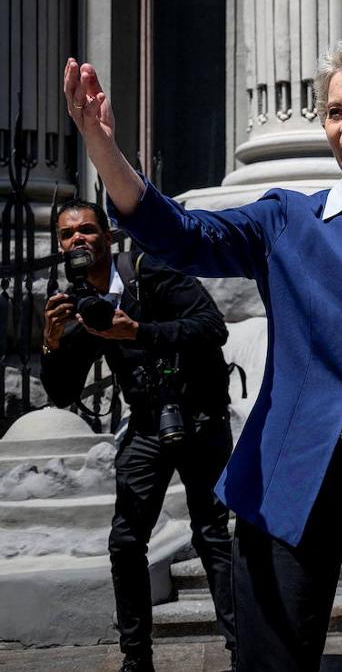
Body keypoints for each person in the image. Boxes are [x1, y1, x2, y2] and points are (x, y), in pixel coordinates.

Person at [62, 36, 342, 672]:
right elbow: (180, 237)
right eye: (335, 111)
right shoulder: (287, 220)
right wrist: (105, 151)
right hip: (291, 478)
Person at [40, 199, 235, 672]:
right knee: (126, 542)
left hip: (200, 417)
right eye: (67, 235)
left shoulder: (154, 271)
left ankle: (242, 649)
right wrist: (51, 342)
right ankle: (136, 660)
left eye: (87, 230)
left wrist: (140, 331)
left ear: (108, 236)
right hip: (147, 424)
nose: (78, 240)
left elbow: (213, 329)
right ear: (60, 246)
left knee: (212, 534)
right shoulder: (82, 304)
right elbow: (63, 394)